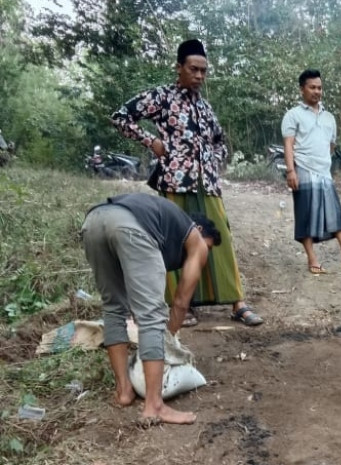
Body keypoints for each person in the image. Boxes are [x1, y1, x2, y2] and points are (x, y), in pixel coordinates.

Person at [111, 39, 263, 327]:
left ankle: (237, 302)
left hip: (208, 184)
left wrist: (216, 161)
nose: (199, 76)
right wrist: (151, 141)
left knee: (222, 240)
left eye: (204, 71)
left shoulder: (205, 107)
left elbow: (220, 140)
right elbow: (120, 117)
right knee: (176, 243)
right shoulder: (162, 97)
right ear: (179, 67)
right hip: (174, 181)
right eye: (194, 69)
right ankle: (185, 304)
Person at [80, 193, 222, 425]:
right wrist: (168, 341)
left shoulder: (165, 226)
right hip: (129, 226)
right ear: (198, 229)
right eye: (208, 247)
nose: (204, 255)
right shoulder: (194, 241)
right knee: (152, 317)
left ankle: (124, 391)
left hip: (94, 220)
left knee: (114, 308)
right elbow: (180, 303)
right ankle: (154, 405)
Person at [281, 69, 341, 275]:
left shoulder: (329, 117)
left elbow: (331, 145)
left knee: (335, 213)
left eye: (319, 88)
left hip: (324, 173)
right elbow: (288, 144)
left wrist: (324, 163)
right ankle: (312, 259)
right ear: (302, 89)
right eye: (312, 87)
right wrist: (291, 171)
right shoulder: (292, 115)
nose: (317, 91)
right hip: (302, 170)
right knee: (305, 214)